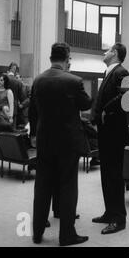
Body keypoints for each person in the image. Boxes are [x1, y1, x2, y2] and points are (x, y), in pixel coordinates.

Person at [30, 42, 92, 246]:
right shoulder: (73, 81)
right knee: (67, 186)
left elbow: (33, 112)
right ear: (67, 59)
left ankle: (37, 233)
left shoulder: (38, 80)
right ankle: (67, 235)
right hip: (67, 142)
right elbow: (86, 104)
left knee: (42, 187)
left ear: (50, 58)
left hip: (44, 141)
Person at [92, 43, 129, 235]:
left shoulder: (122, 72)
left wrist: (106, 110)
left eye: (107, 50)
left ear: (115, 53)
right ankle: (109, 212)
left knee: (114, 177)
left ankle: (118, 218)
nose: (104, 52)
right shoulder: (110, 73)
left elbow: (127, 98)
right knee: (106, 175)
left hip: (114, 135)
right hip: (107, 134)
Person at [6, 63, 25, 129]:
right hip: (13, 108)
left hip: (2, 107)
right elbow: (22, 97)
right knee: (12, 129)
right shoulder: (18, 82)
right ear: (15, 70)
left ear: (9, 69)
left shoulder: (1, 79)